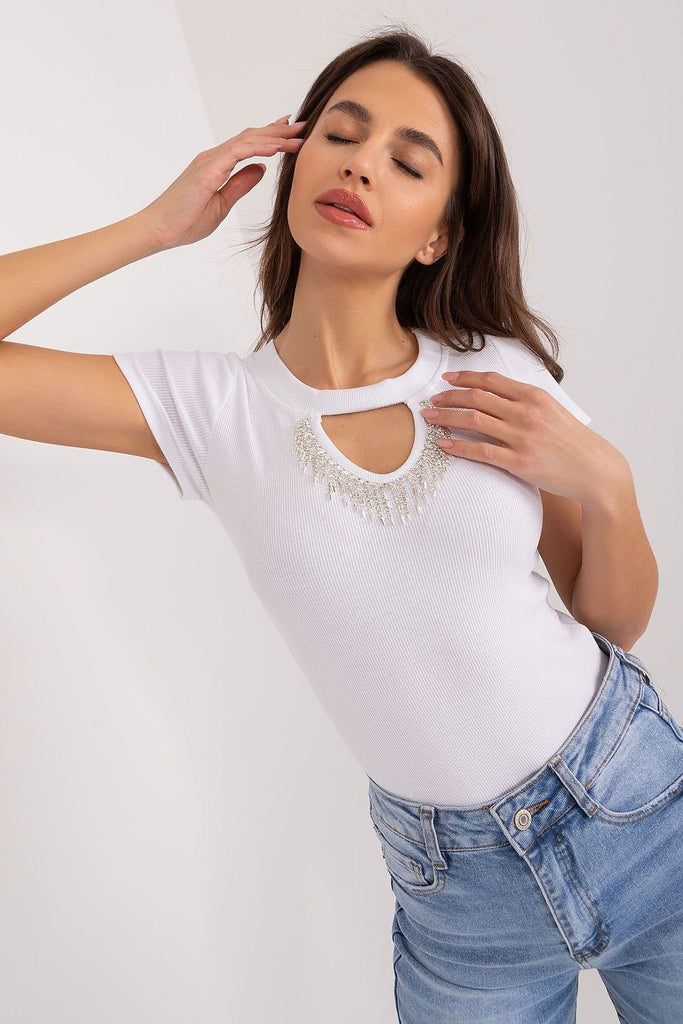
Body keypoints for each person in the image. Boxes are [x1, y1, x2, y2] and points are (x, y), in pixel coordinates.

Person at [1, 24, 680, 1023]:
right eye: (341, 135)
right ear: (294, 160)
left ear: (437, 234)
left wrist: (609, 486)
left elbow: (608, 622)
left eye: (408, 162)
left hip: (638, 807)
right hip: (458, 897)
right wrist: (153, 226)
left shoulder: (493, 375)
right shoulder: (212, 412)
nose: (361, 165)